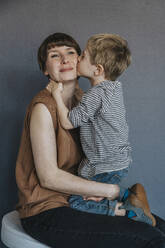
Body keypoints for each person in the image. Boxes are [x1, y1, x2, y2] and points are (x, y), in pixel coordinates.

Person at [15, 32, 165, 248]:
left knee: (160, 229)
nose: (65, 59)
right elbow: (49, 179)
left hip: (78, 197)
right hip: (47, 208)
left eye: (71, 52)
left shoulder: (85, 101)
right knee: (148, 238)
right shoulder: (43, 107)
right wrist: (112, 192)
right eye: (55, 55)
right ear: (45, 69)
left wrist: (94, 190)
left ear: (83, 61)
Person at [51, 33, 155, 226]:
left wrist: (56, 94)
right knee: (89, 190)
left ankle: (126, 209)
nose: (78, 59)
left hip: (105, 165)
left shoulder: (95, 95)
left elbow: (67, 122)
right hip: (118, 161)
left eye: (83, 56)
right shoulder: (113, 88)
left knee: (75, 200)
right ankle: (125, 195)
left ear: (97, 69)